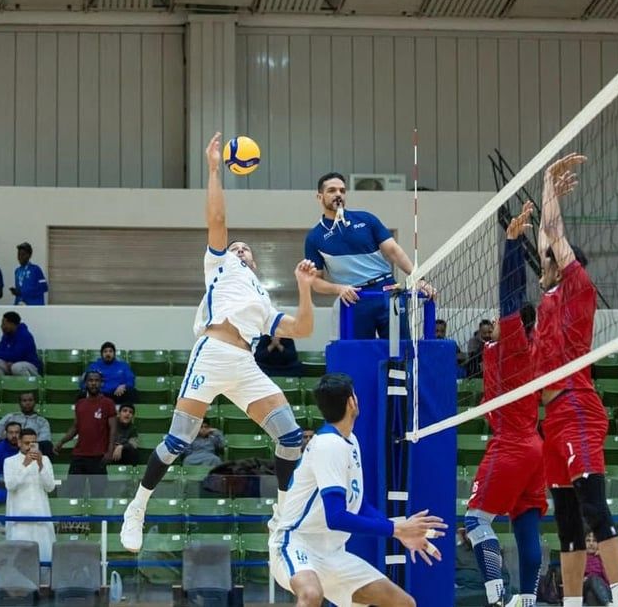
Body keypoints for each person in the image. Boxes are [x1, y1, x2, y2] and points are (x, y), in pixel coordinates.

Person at [121, 133, 317, 553]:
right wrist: (213, 169)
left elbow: (301, 330)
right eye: (236, 244)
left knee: (290, 436)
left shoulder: (263, 298)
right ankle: (137, 507)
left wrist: (304, 287)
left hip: (246, 364)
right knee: (176, 442)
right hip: (212, 353)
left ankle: (281, 517)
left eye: (246, 247)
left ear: (256, 260)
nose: (239, 246)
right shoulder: (220, 263)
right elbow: (217, 220)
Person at [531, 153, 618, 607]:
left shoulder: (578, 287)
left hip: (576, 406)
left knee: (594, 509)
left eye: (552, 257)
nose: (544, 259)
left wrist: (550, 185)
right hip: (550, 418)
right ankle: (572, 604)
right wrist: (543, 188)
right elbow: (543, 240)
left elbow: (554, 234)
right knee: (567, 522)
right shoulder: (549, 291)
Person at [269, 373, 446, 607]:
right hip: (296, 543)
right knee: (311, 594)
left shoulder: (349, 440)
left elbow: (357, 504)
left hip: (333, 553)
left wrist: (401, 531)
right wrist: (395, 529)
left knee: (403, 603)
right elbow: (336, 517)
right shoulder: (328, 445)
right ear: (352, 401)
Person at [465, 201, 545, 607]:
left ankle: (497, 591)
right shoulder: (516, 348)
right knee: (525, 522)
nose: (494, 321)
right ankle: (527, 599)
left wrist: (512, 243)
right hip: (533, 448)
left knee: (475, 518)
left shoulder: (514, 345)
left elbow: (510, 295)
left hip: (512, 443)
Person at [303, 171, 432, 340]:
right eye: (332, 190)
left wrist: (417, 278)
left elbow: (393, 250)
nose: (338, 195)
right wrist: (339, 289)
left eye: (342, 190)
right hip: (355, 298)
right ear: (319, 197)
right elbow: (315, 282)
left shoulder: (366, 219)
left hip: (387, 291)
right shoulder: (314, 238)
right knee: (361, 355)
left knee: (400, 351)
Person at [4, 427, 56, 564]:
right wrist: (25, 465)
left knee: (44, 559)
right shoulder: (9, 462)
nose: (30, 447)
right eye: (27, 443)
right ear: (19, 442)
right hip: (19, 520)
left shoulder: (44, 460)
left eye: (33, 443)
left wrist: (40, 465)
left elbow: (50, 487)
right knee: (19, 561)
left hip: (41, 518)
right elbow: (10, 485)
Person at [56, 371, 117, 475]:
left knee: (98, 491)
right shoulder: (80, 404)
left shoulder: (108, 403)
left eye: (97, 380)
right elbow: (75, 427)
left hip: (99, 456)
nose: (93, 383)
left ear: (101, 383)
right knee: (73, 490)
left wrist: (110, 451)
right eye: (90, 380)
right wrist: (62, 442)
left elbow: (113, 429)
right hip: (79, 455)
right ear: (85, 383)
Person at [0, 391, 53, 457]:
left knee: (47, 445)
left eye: (30, 400)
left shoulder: (42, 421)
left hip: (31, 450)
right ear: (20, 403)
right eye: (24, 401)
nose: (27, 403)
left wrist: (25, 446)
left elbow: (44, 440)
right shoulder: (10, 417)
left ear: (35, 402)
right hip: (10, 449)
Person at [0, 311, 41, 377]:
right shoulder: (6, 335)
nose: (2, 326)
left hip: (30, 365)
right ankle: (3, 385)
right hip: (12, 363)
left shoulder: (24, 335)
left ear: (12, 324)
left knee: (17, 367)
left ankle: (30, 386)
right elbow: (0, 351)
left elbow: (17, 356)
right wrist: (7, 360)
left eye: (4, 324)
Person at [583, 532, 612, 606]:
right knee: (593, 578)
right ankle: (608, 604)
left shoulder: (604, 556)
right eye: (588, 541)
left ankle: (607, 603)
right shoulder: (579, 558)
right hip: (583, 588)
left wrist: (602, 557)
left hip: (604, 590)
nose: (591, 544)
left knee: (591, 595)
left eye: (595, 541)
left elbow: (609, 580)